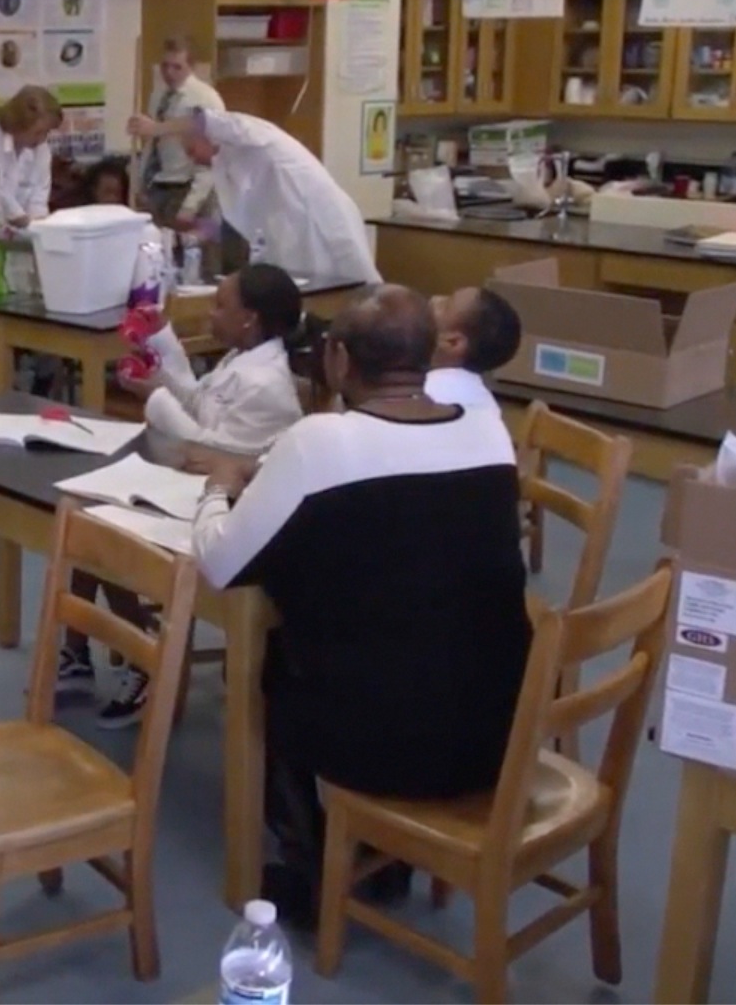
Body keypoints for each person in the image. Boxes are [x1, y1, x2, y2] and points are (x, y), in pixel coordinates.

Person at [187, 285, 530, 928]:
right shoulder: (489, 435)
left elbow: (221, 563)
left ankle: (316, 871)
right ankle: (381, 853)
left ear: (338, 360)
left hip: (381, 746)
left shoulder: (320, 442)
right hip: (497, 731)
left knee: (279, 660)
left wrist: (218, 489)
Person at [65, 265, 308, 727]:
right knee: (86, 518)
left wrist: (157, 399)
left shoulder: (266, 386)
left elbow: (209, 449)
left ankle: (146, 659)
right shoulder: (241, 361)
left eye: (220, 305)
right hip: (198, 484)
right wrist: (162, 346)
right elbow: (199, 406)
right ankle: (76, 655)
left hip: (225, 508)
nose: (211, 314)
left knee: (108, 538)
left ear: (249, 320)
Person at [129, 106, 382, 290]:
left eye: (191, 149)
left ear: (206, 137)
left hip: (321, 219)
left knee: (360, 290)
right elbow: (225, 226)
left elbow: (203, 119)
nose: (192, 158)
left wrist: (156, 129)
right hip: (291, 242)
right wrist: (182, 234)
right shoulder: (223, 169)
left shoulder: (250, 133)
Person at [139, 37, 226, 231]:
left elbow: (211, 158)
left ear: (191, 66)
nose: (169, 73)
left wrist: (191, 205)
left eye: (177, 67)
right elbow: (153, 145)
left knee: (187, 254)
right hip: (157, 186)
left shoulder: (206, 98)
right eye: (165, 66)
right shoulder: (159, 95)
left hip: (185, 189)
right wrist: (141, 182)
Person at [0, 85, 64, 228]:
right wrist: (20, 218)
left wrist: (40, 229)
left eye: (46, 133)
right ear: (19, 123)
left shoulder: (42, 149)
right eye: (38, 132)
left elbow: (39, 198)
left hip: (18, 236)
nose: (42, 139)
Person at [426, 285, 524, 412]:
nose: (434, 299)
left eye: (445, 305)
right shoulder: (485, 404)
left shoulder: (425, 398)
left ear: (453, 343)